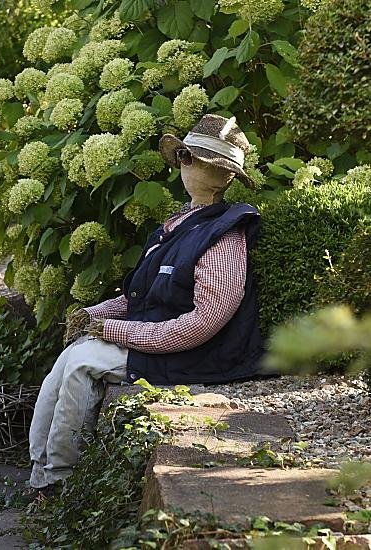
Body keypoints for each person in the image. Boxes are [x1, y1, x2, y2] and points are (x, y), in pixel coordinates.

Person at [29, 114, 264, 493]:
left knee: (82, 363)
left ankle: (60, 479)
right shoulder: (181, 225)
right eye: (183, 155)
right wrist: (92, 315)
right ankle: (40, 470)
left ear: (222, 175)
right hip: (157, 337)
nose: (183, 163)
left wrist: (114, 330)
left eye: (190, 157)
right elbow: (140, 295)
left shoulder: (222, 239)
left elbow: (204, 323)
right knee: (71, 355)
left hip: (198, 354)